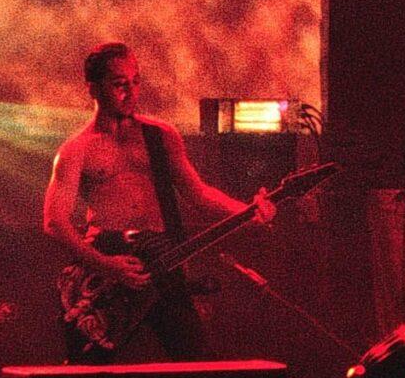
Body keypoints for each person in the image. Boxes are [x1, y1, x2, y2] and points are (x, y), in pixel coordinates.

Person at [42, 41, 273, 360]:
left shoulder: (161, 135)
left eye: (135, 81)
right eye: (119, 84)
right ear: (93, 88)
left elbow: (199, 194)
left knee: (196, 362)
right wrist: (104, 264)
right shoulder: (76, 149)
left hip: (164, 256)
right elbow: (54, 221)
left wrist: (248, 211)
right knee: (91, 370)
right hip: (109, 258)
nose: (131, 92)